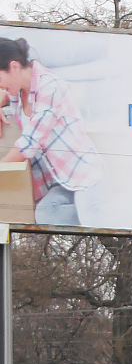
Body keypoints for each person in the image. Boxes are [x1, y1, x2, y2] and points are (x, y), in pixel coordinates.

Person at [0, 37, 106, 227]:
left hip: (84, 176)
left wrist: (2, 171)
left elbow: (30, 143)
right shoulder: (18, 91)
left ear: (14, 66)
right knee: (46, 215)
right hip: (60, 181)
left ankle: (110, 207)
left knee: (92, 219)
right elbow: (3, 93)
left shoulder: (49, 86)